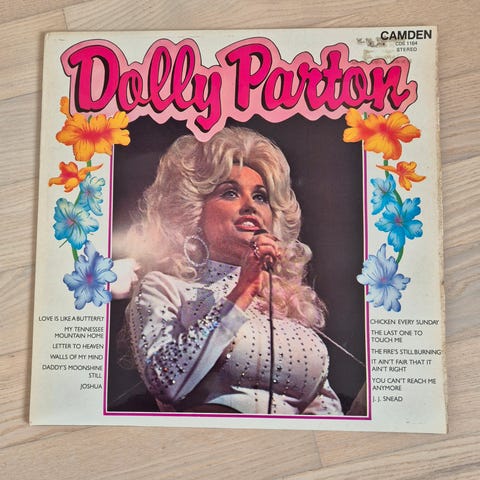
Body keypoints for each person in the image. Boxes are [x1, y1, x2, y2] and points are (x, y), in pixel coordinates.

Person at [124, 126, 343, 415]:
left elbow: (326, 411)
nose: (250, 205)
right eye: (230, 193)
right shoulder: (163, 288)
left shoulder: (289, 307)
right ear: (194, 211)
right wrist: (241, 292)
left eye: (261, 197)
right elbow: (166, 381)